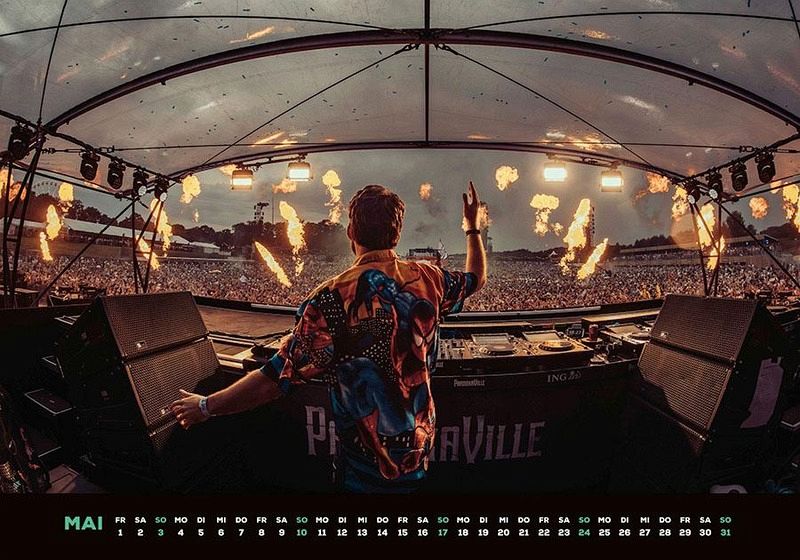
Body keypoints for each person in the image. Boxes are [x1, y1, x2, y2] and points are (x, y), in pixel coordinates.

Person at [170, 182, 487, 492]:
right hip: (419, 447)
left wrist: (206, 406)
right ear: (397, 233)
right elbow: (476, 277)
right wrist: (472, 228)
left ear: (351, 231)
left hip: (363, 463)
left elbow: (274, 379)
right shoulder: (428, 279)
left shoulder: (329, 298)